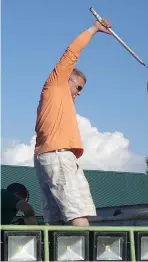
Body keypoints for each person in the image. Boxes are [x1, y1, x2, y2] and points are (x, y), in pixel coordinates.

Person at [34, 18, 112, 226]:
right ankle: (86, 257)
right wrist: (95, 29)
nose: (79, 94)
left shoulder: (55, 100)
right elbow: (72, 51)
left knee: (57, 218)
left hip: (46, 157)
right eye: (79, 88)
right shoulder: (56, 84)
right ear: (68, 78)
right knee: (78, 213)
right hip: (58, 156)